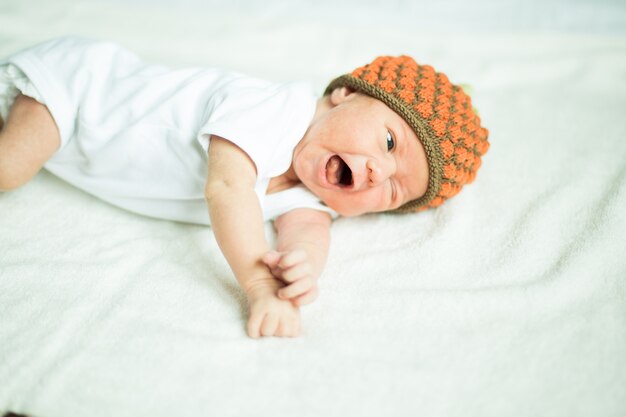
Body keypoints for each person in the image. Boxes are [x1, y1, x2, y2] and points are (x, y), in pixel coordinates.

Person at [0, 37, 489, 338]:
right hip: (81, 91)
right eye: (388, 142)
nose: (380, 173)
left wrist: (300, 273)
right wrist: (257, 283)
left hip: (74, 145)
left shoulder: (315, 197)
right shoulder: (275, 109)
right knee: (9, 168)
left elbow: (308, 234)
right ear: (345, 94)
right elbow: (228, 187)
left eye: (394, 191)